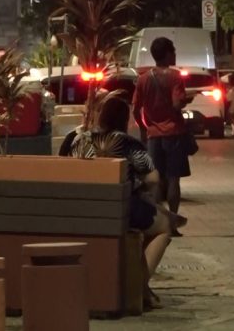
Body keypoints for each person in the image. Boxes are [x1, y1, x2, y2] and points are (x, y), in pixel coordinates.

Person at [82, 96, 172, 309]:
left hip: (81, 209)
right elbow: (153, 178)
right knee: (165, 226)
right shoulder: (128, 143)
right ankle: (137, 286)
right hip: (117, 209)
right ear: (124, 119)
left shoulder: (79, 139)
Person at [132, 37, 192, 237]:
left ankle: (158, 223)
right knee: (174, 180)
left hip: (153, 136)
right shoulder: (175, 77)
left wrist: (143, 128)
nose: (175, 54)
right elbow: (176, 105)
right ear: (166, 53)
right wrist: (185, 100)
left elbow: (136, 109)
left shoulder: (143, 78)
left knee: (156, 180)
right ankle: (173, 224)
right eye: (173, 50)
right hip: (174, 134)